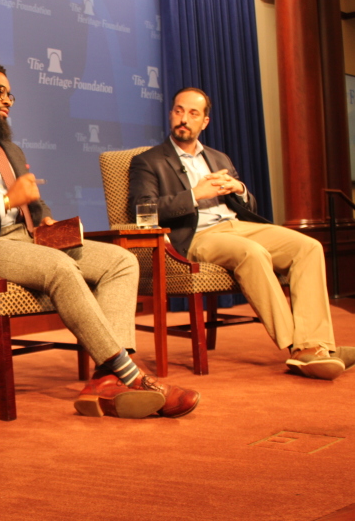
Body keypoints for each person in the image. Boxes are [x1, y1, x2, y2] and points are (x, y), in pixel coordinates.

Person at [0, 61, 200, 419]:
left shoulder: (7, 147)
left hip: (30, 238)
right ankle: (132, 376)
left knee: (120, 261)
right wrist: (5, 201)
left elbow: (30, 199)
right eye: (0, 91)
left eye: (10, 94)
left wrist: (44, 216)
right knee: (62, 267)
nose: (9, 101)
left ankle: (106, 379)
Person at [129, 87, 355, 380]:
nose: (184, 118)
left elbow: (247, 205)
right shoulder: (149, 161)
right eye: (178, 111)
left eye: (193, 113)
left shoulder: (218, 157)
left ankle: (318, 345)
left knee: (308, 247)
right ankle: (301, 349)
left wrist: (241, 190)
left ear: (204, 122)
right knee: (253, 253)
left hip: (238, 226)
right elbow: (143, 210)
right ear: (171, 114)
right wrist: (195, 194)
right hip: (197, 235)